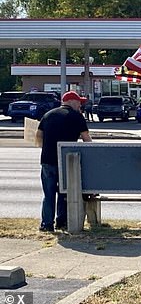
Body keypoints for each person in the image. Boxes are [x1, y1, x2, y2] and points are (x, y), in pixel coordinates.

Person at [35, 91, 92, 232]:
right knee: (64, 192)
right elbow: (87, 140)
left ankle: (46, 224)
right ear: (72, 101)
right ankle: (62, 222)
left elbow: (38, 137)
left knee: (48, 194)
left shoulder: (48, 115)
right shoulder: (77, 117)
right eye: (79, 102)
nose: (80, 105)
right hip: (67, 161)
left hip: (47, 159)